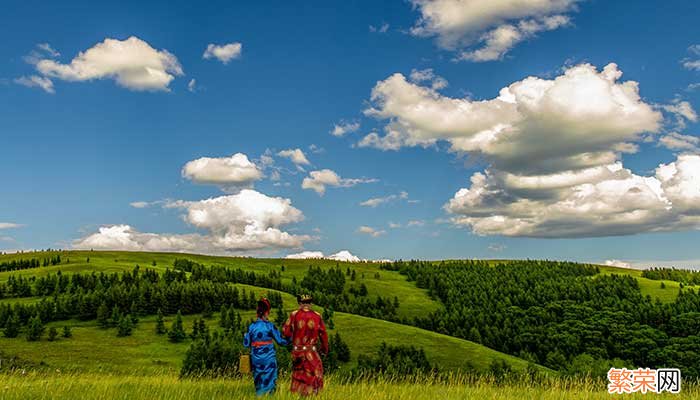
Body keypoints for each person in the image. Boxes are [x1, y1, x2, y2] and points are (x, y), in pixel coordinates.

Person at [282, 294, 329, 396]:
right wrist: (324, 350)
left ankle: (297, 396)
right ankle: (312, 395)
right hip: (311, 352)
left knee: (298, 376)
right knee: (314, 374)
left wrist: (291, 337)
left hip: (297, 352)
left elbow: (286, 332)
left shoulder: (294, 315)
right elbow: (323, 335)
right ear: (310, 304)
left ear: (299, 303)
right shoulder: (317, 316)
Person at [243, 298, 288, 396]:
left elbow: (246, 344)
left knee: (258, 378)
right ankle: (269, 396)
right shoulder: (270, 326)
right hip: (268, 358)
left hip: (256, 359)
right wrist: (292, 339)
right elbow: (281, 341)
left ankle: (259, 395)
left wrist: (245, 335)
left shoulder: (251, 327)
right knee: (270, 379)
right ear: (266, 312)